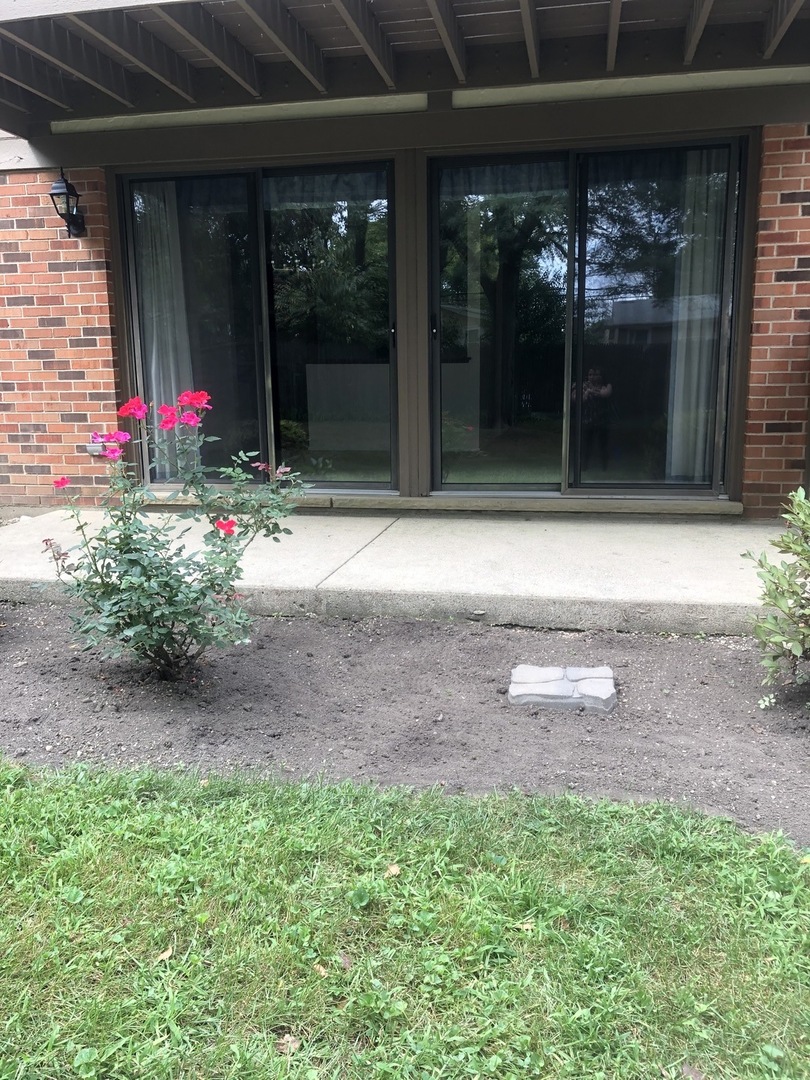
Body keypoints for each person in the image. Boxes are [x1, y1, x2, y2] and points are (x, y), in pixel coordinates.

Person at [572, 366, 612, 471]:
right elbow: (576, 399)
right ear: (587, 376)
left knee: (603, 445)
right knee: (586, 445)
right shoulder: (581, 386)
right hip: (587, 420)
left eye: (595, 374)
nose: (593, 377)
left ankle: (605, 467)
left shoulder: (603, 386)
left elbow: (606, 394)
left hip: (601, 420)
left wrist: (592, 391)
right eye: (590, 374)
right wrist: (587, 392)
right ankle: (583, 467)